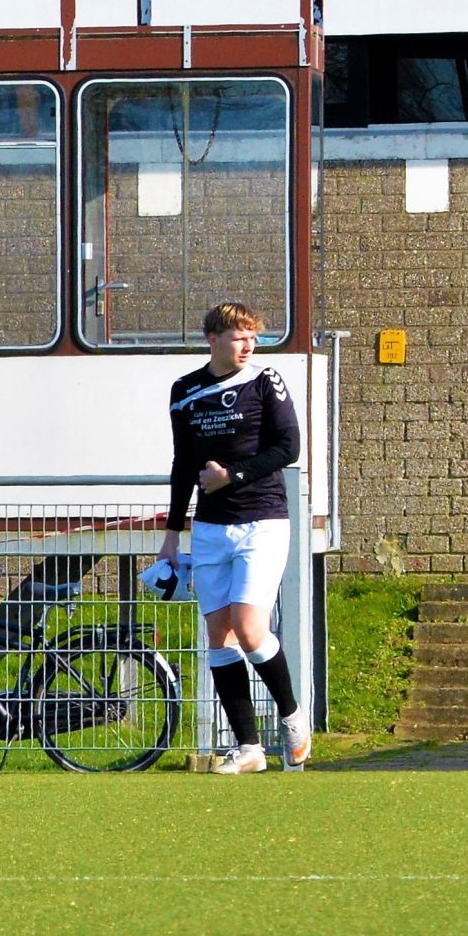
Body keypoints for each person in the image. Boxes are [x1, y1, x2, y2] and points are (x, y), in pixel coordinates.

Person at [156, 302, 309, 774]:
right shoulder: (185, 391)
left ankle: (293, 718)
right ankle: (249, 750)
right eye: (239, 336)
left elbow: (288, 448)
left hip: (261, 521)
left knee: (249, 628)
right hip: (209, 529)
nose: (249, 345)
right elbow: (184, 465)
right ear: (213, 339)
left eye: (252, 337)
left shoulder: (266, 382)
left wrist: (234, 475)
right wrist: (171, 534)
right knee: (218, 636)